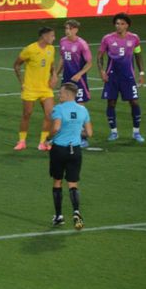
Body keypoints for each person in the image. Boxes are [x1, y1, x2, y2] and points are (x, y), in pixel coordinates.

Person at [48, 82, 91, 230]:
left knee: (58, 181)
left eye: (60, 93)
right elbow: (89, 133)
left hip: (59, 150)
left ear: (67, 95)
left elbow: (56, 127)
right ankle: (76, 211)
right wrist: (76, 130)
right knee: (73, 183)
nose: (59, 95)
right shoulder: (83, 110)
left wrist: (48, 138)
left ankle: (59, 216)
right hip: (76, 151)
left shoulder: (58, 109)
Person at [97, 12, 144, 142]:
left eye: (122, 24)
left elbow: (138, 55)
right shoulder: (107, 39)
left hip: (128, 76)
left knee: (134, 102)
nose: (119, 26)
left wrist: (141, 73)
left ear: (127, 25)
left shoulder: (134, 38)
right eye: (117, 23)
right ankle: (114, 132)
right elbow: (99, 56)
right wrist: (101, 71)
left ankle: (136, 132)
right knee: (111, 102)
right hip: (112, 77)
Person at [14, 26, 57, 151]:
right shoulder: (30, 49)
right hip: (30, 88)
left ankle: (43, 142)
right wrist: (21, 82)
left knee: (50, 114)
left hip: (46, 88)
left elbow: (51, 65)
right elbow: (16, 65)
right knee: (27, 114)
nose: (54, 38)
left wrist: (54, 75)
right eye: (52, 36)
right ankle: (22, 141)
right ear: (44, 36)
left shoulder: (51, 49)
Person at [54, 19, 93, 106]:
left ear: (76, 30)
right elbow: (62, 58)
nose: (68, 31)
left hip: (78, 79)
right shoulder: (62, 41)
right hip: (66, 77)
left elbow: (89, 63)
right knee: (63, 102)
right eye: (66, 28)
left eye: (70, 29)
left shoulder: (82, 44)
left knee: (79, 104)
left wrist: (79, 74)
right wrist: (56, 74)